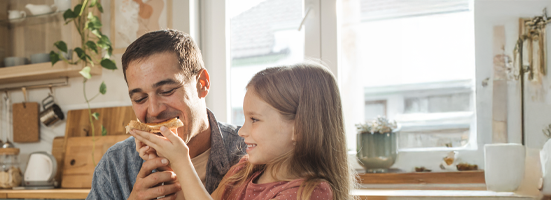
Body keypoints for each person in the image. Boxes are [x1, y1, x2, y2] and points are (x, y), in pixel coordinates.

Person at [130, 62, 354, 200]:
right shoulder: (245, 170)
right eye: (244, 119)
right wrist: (168, 165)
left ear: (300, 128)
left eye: (254, 119)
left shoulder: (310, 193)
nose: (242, 131)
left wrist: (182, 161)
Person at [86, 29, 247, 200]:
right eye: (140, 99)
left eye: (166, 91)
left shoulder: (251, 153)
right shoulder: (115, 164)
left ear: (202, 83)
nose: (154, 110)